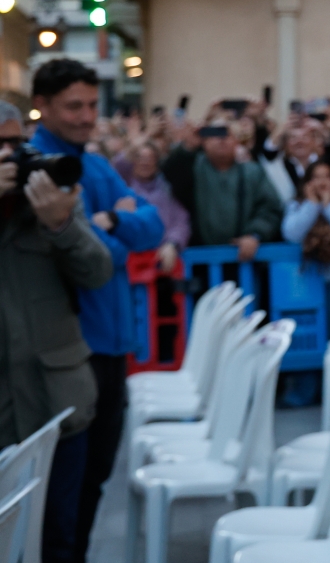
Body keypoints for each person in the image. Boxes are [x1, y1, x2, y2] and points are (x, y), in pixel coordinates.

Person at [28, 61, 165, 563]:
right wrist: (115, 226)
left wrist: (106, 223)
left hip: (109, 346)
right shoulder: (37, 164)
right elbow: (99, 257)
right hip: (69, 352)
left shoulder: (97, 165)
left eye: (92, 105)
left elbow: (152, 228)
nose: (87, 117)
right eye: (74, 106)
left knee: (93, 483)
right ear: (41, 105)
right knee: (61, 499)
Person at [0, 102, 112, 563]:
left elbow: (97, 271)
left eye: (15, 144)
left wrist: (62, 225)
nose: (10, 157)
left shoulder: (51, 195)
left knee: (57, 539)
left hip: (57, 400)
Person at [161, 121, 282, 257]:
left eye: (227, 134)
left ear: (236, 142)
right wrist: (188, 148)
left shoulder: (253, 172)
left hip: (244, 258)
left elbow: (270, 208)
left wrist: (255, 235)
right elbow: (169, 175)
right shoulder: (192, 168)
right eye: (215, 134)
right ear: (204, 142)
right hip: (200, 259)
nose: (221, 139)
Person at [282, 160, 330, 340]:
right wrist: (311, 205)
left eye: (327, 176)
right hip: (304, 278)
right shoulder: (297, 205)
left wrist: (328, 205)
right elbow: (291, 233)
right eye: (317, 177)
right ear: (308, 181)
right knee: (308, 332)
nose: (322, 182)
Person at [125, 142, 191, 274]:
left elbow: (181, 222)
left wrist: (172, 244)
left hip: (164, 267)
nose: (145, 163)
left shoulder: (168, 190)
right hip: (131, 266)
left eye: (150, 158)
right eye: (140, 157)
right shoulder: (122, 188)